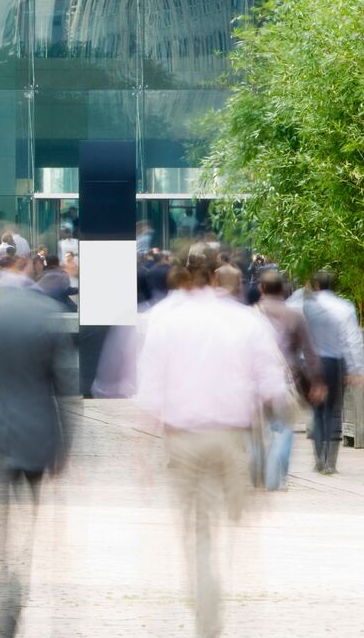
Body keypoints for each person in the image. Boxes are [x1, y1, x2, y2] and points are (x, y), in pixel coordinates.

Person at [135, 263, 287, 638]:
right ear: (217, 281)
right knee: (234, 521)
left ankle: (205, 596)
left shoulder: (164, 321)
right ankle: (228, 579)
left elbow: (151, 389)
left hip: (183, 440)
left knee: (196, 528)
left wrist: (141, 446)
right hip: (231, 438)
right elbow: (271, 383)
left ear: (183, 279)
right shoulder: (245, 321)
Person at [0, 281, 77, 638]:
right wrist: (66, 443)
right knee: (29, 518)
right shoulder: (47, 321)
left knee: (3, 516)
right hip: (39, 433)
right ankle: (18, 582)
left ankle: (4, 589)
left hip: (0, 433)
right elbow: (63, 385)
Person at [251, 270, 322, 490]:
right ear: (283, 290)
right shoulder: (295, 316)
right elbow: (310, 352)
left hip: (254, 382)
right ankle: (277, 477)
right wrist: (318, 381)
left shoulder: (250, 315)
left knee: (256, 430)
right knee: (283, 430)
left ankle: (257, 470)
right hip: (286, 382)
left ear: (261, 289)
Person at [301, 269, 364, 475]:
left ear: (316, 285)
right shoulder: (344, 307)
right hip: (334, 363)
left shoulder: (307, 307)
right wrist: (357, 368)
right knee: (333, 410)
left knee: (317, 410)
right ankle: (331, 461)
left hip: (311, 364)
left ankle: (319, 456)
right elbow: (352, 340)